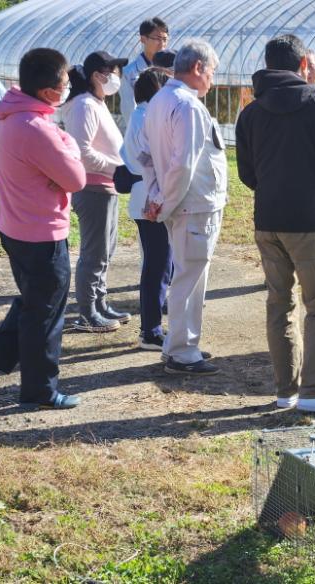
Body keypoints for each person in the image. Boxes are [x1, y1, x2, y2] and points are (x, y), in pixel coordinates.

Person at [235, 34, 315, 413]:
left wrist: (271, 191)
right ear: (303, 65)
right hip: (311, 221)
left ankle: (286, 390)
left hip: (268, 220)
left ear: (267, 65)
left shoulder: (251, 112)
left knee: (279, 304)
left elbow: (247, 172)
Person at [0, 48, 86, 410]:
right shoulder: (36, 128)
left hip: (16, 227)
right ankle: (40, 390)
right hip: (41, 234)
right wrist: (65, 153)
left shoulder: (12, 114)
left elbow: (63, 165)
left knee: (34, 305)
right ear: (48, 91)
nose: (68, 88)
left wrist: (61, 152)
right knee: (45, 315)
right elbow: (77, 178)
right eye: (65, 83)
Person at [140, 40, 226, 375]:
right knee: (189, 280)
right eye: (212, 72)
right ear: (198, 68)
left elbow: (147, 158)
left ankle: (179, 343)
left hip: (181, 205)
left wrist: (157, 197)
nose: (212, 81)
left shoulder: (161, 99)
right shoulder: (187, 106)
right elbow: (182, 165)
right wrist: (164, 202)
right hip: (191, 206)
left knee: (187, 276)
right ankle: (181, 351)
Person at [62, 50, 130, 333]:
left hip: (107, 186)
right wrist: (117, 167)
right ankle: (87, 312)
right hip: (93, 187)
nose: (117, 77)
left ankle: (100, 303)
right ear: (97, 75)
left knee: (106, 250)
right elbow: (83, 152)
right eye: (112, 71)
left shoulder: (96, 103)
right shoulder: (84, 106)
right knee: (94, 253)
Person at [120, 67, 173, 350]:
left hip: (147, 193)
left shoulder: (143, 114)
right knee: (157, 265)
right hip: (148, 196)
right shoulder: (146, 116)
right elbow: (151, 159)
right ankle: (150, 330)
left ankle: (154, 324)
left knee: (162, 263)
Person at [120, 17, 169, 125]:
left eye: (165, 39)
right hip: (143, 131)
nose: (162, 44)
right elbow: (130, 111)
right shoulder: (129, 73)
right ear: (143, 39)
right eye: (157, 38)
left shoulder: (171, 71)